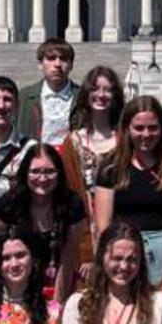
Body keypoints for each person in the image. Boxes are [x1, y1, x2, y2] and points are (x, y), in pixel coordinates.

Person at [94, 96, 162, 293]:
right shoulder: (111, 167)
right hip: (123, 254)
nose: (146, 134)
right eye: (139, 128)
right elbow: (103, 227)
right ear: (127, 129)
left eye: (152, 127)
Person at [0, 142, 86, 302]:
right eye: (35, 171)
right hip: (14, 286)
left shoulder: (72, 205)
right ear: (25, 173)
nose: (42, 179)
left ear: (59, 174)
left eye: (50, 172)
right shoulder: (8, 205)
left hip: (57, 280)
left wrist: (56, 305)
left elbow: (68, 260)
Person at [60, 64, 123, 268]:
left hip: (120, 227)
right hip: (84, 231)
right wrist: (85, 248)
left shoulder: (125, 141)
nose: (101, 95)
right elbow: (72, 194)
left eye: (107, 89)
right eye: (95, 89)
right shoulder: (74, 142)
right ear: (86, 94)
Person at [15, 38, 77, 146]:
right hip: (35, 159)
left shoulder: (83, 97)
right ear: (40, 64)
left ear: (71, 65)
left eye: (63, 59)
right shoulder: (24, 97)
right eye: (51, 58)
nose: (57, 64)